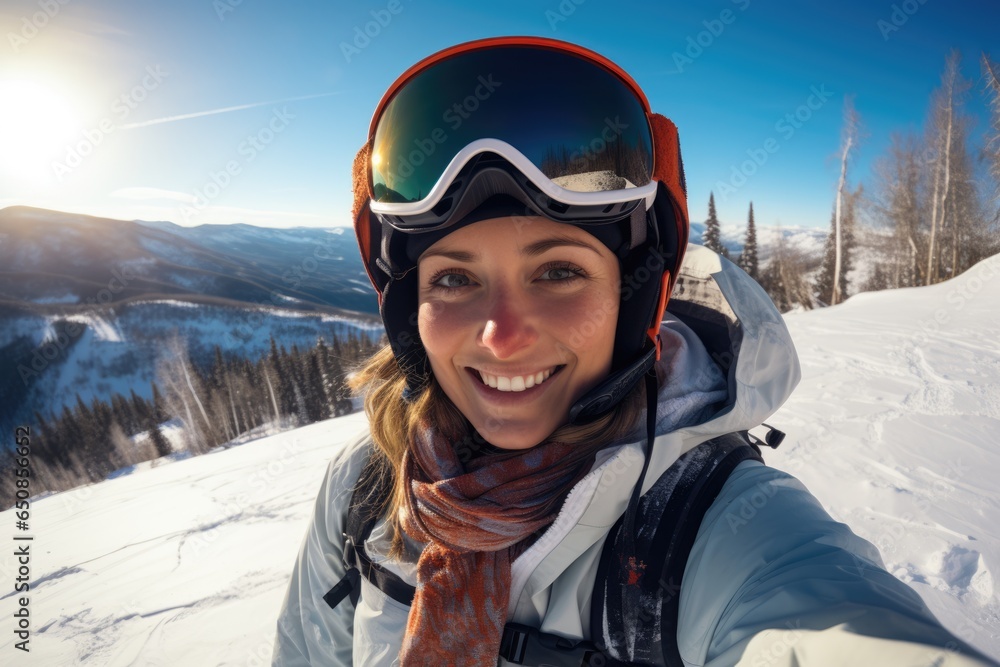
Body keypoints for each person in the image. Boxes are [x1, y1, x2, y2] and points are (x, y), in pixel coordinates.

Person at [272, 37, 996, 666]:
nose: (500, 333)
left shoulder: (716, 530)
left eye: (558, 272)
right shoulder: (367, 488)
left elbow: (831, 624)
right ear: (407, 310)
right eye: (455, 278)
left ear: (632, 298)